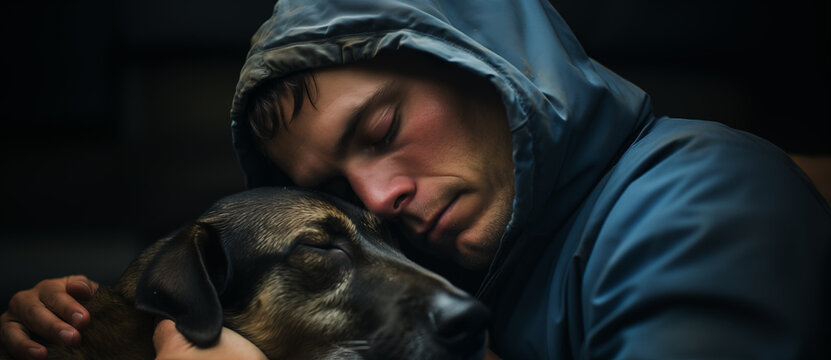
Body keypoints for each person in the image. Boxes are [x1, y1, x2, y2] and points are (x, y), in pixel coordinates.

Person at [2, 0, 830, 359]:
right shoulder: (466, 273)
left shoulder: (699, 199)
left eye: (382, 129)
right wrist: (94, 328)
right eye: (336, 188)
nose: (376, 199)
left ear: (485, 66)